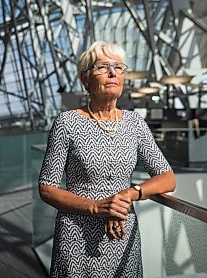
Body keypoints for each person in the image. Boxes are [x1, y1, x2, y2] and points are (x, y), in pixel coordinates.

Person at [38, 40, 176, 277]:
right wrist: (95, 207)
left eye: (118, 67)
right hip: (77, 238)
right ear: (85, 79)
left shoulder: (134, 123)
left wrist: (128, 194)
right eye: (102, 67)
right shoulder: (67, 122)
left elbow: (168, 178)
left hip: (122, 233)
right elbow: (47, 188)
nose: (113, 72)